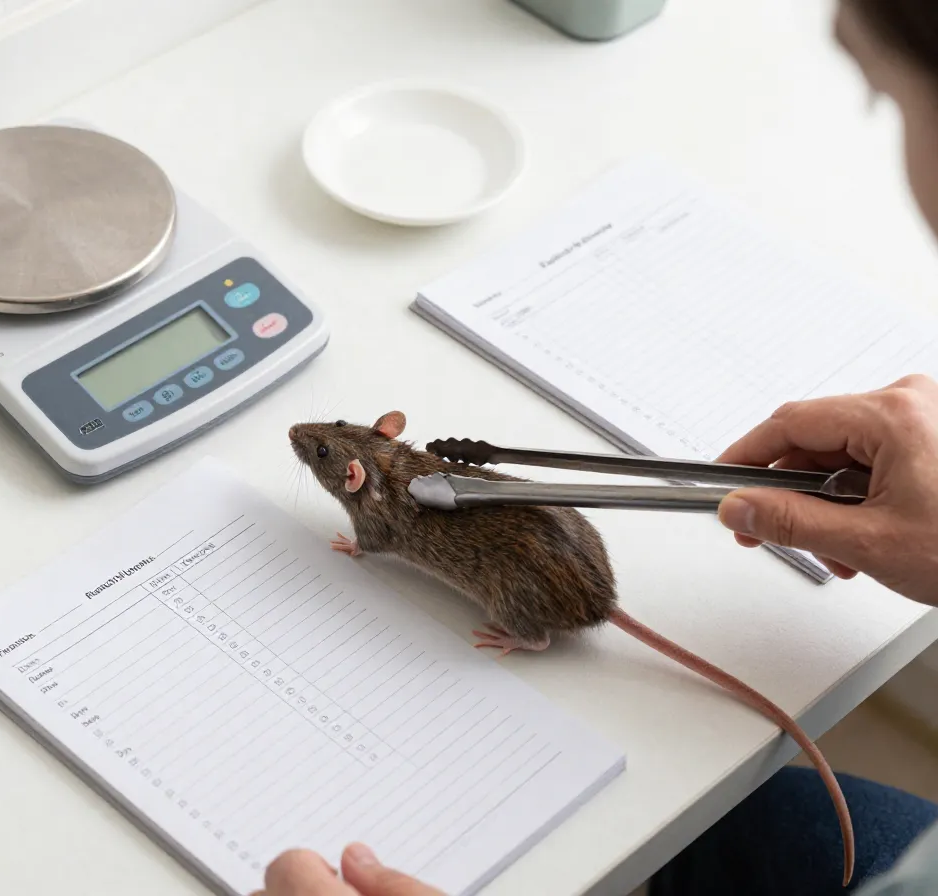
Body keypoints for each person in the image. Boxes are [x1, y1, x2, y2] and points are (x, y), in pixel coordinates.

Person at [255, 0, 938, 892]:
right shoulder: (402, 475)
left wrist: (365, 547)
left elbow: (383, 537)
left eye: (881, 97)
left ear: (357, 467)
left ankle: (541, 642)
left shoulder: (385, 507)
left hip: (547, 602)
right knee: (740, 810)